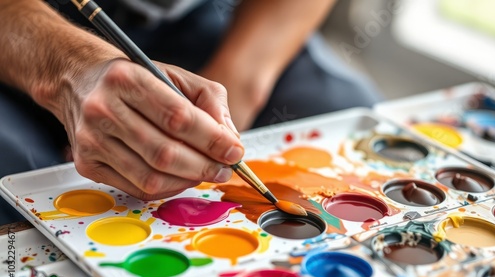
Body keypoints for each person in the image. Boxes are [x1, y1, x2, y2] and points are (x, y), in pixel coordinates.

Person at [0, 0, 381, 225]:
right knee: (19, 186)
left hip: (213, 16)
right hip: (25, 26)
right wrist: (65, 67)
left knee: (345, 112)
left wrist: (240, 83)